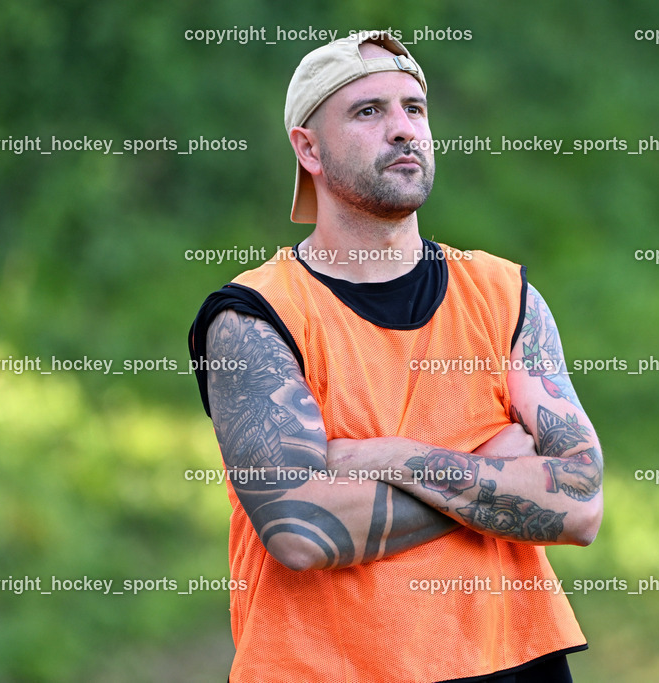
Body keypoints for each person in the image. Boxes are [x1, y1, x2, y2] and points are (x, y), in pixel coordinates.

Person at [188, 30, 603, 683]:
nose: (404, 129)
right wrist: (495, 469)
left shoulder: (503, 294)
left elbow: (579, 503)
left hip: (514, 663)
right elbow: (300, 528)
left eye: (414, 108)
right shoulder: (254, 316)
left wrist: (389, 457)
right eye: (368, 111)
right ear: (308, 148)